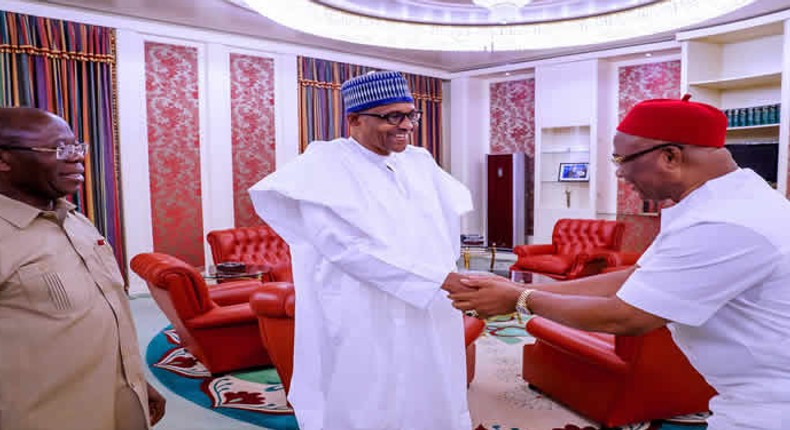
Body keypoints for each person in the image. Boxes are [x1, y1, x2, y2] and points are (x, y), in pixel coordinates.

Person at [447, 95, 790, 430]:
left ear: (670, 156)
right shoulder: (726, 202)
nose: (620, 174)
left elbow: (627, 315)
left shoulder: (724, 222)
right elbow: (631, 278)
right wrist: (519, 286)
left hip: (770, 401)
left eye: (622, 159)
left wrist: (519, 300)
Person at [249, 70, 474, 430]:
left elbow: (443, 224)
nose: (406, 126)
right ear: (354, 119)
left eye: (410, 114)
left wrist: (445, 278)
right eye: (392, 117)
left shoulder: (419, 161)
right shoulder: (322, 165)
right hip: (360, 306)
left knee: (432, 381)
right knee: (369, 393)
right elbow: (344, 249)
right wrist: (437, 277)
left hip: (428, 301)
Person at [0, 107, 166, 429]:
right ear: (4, 160)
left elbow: (106, 313)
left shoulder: (77, 221)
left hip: (120, 405)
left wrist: (135, 383)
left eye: (77, 148)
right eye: (59, 149)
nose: (76, 158)